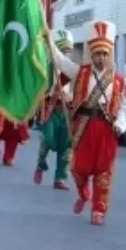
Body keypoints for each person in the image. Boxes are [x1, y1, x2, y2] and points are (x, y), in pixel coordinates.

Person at [50, 20, 126, 226]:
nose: (101, 58)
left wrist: (120, 123)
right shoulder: (82, 73)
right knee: (78, 168)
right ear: (91, 54)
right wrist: (47, 41)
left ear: (109, 54)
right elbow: (60, 62)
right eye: (97, 54)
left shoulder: (119, 81)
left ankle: (98, 210)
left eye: (104, 54)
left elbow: (124, 107)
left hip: (106, 129)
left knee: (104, 172)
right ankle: (84, 193)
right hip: (84, 127)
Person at [34, 29, 75, 190]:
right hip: (51, 109)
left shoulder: (71, 68)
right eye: (63, 50)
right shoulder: (47, 67)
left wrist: (70, 97)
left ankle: (60, 178)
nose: (66, 53)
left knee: (66, 144)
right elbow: (41, 90)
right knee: (48, 140)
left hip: (66, 111)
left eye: (68, 50)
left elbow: (77, 90)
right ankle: (40, 164)